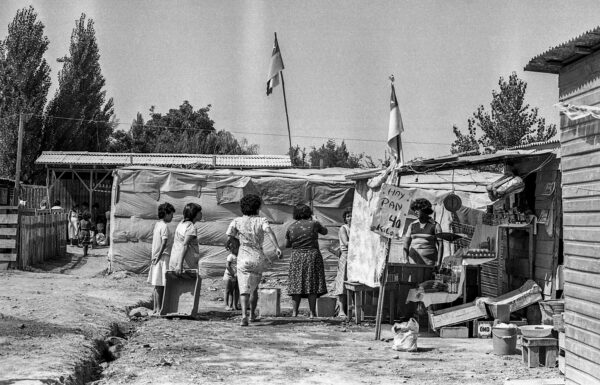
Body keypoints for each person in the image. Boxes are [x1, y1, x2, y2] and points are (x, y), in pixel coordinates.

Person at [226, 194, 282, 326]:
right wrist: (277, 248)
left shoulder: (236, 221)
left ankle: (244, 315)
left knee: (243, 288)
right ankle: (252, 315)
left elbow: (229, 237)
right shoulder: (262, 221)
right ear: (257, 207)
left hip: (243, 257)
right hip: (257, 258)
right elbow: (269, 232)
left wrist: (232, 243)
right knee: (254, 288)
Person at [286, 204, 328, 318]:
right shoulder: (314, 224)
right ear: (309, 213)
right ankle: (312, 313)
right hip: (312, 256)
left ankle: (294, 312)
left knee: (296, 284)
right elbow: (325, 231)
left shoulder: (291, 227)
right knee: (312, 284)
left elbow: (288, 244)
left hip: (297, 257)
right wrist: (317, 220)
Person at [148, 202, 175, 314]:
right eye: (171, 214)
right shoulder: (164, 226)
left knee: (156, 285)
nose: (172, 217)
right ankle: (159, 309)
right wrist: (159, 257)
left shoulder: (157, 225)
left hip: (156, 257)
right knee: (160, 284)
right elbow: (164, 243)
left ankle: (155, 308)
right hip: (162, 258)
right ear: (166, 213)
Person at [402, 198, 444, 268]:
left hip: (430, 263)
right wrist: (406, 259)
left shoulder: (435, 225)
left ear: (424, 210)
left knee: (428, 279)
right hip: (413, 262)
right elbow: (406, 243)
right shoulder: (412, 225)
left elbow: (440, 245)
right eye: (414, 210)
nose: (415, 212)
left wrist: (439, 263)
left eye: (417, 209)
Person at [169, 203, 202, 274]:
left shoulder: (181, 224)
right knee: (188, 284)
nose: (201, 213)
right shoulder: (190, 227)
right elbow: (185, 245)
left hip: (175, 259)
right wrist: (179, 264)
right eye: (199, 212)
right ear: (194, 214)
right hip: (185, 263)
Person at [332, 208, 352, 317]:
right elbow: (346, 242)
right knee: (342, 284)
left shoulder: (358, 229)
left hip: (357, 258)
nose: (350, 218)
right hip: (346, 257)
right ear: (345, 218)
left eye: (352, 215)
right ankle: (341, 310)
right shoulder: (343, 228)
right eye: (348, 216)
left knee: (354, 284)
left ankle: (352, 310)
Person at [223, 237, 240, 311]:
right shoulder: (230, 256)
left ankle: (234, 305)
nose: (236, 250)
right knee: (228, 290)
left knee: (236, 290)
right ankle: (226, 305)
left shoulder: (239, 256)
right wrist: (233, 273)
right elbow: (227, 266)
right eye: (235, 248)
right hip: (229, 276)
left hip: (236, 275)